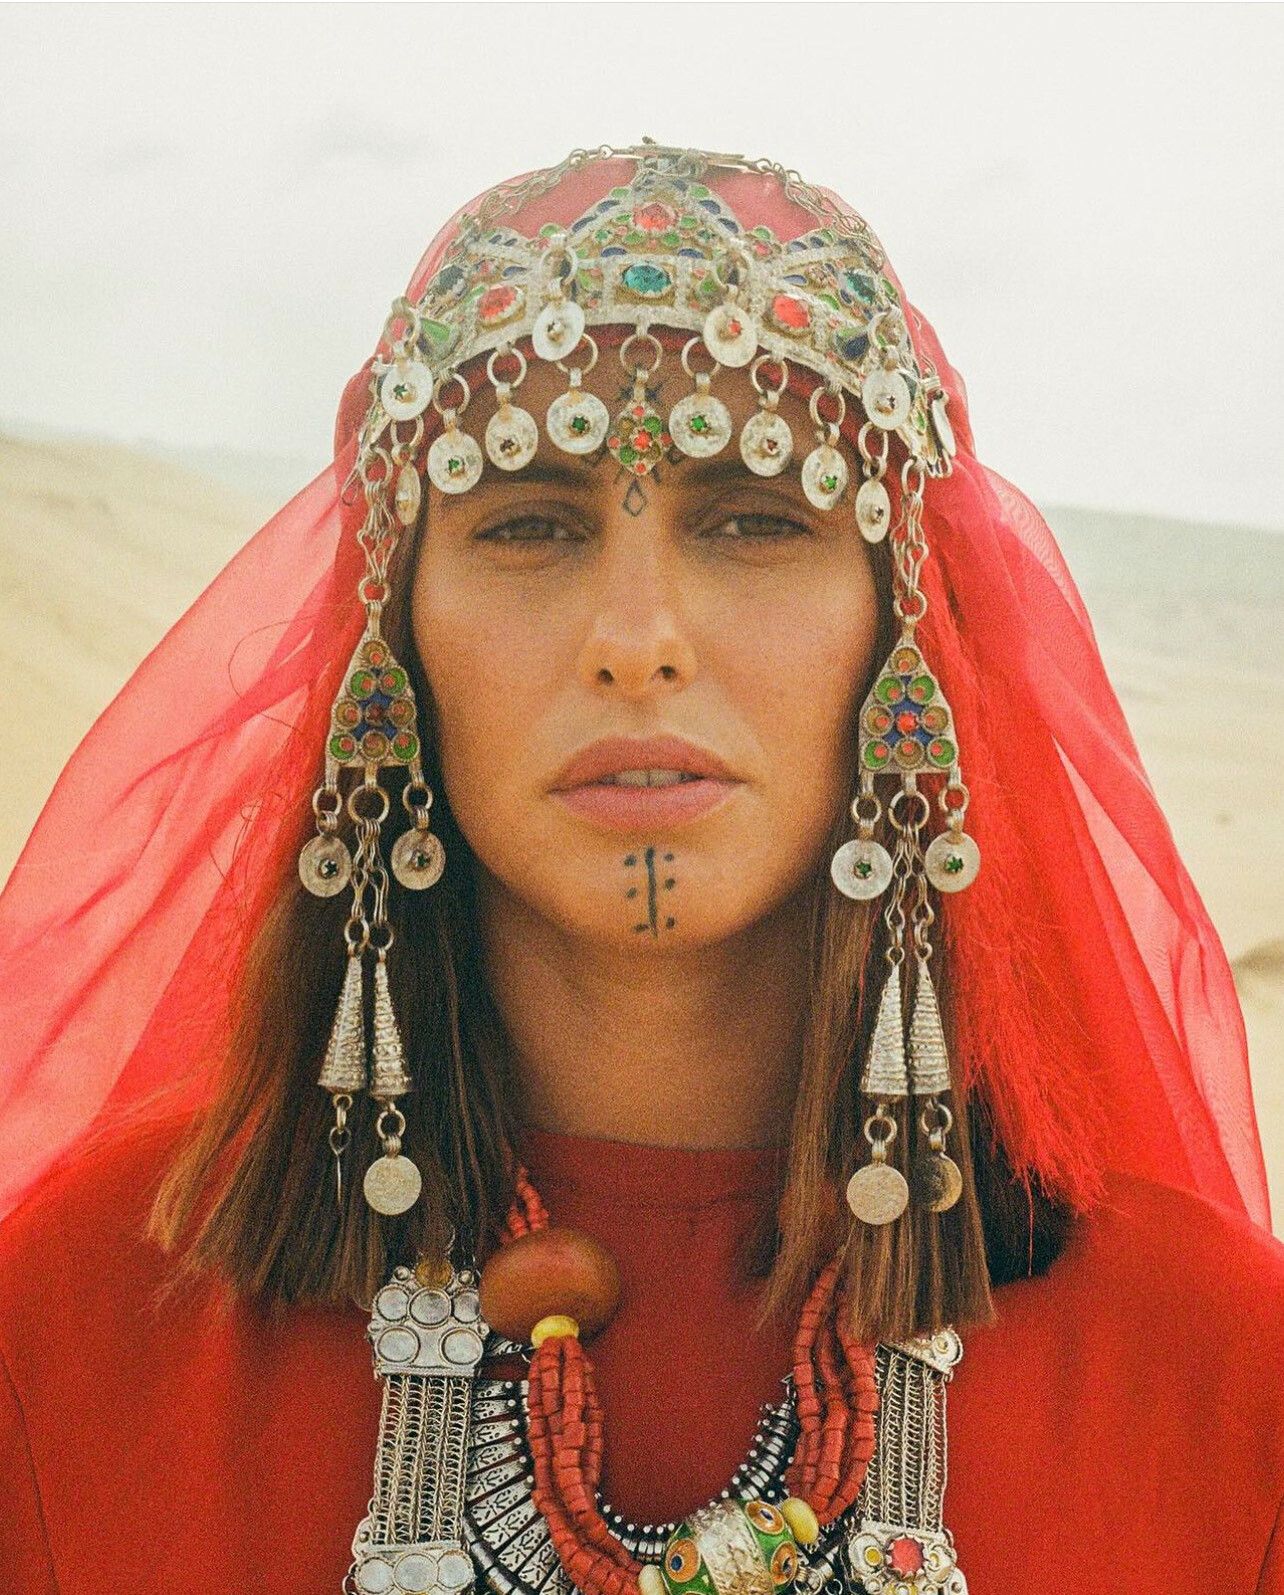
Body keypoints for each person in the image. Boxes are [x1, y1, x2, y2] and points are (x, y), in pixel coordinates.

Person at [0, 141, 1281, 1594]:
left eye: (758, 518)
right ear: (394, 642)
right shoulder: (79, 1333)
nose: (637, 637)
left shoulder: (1219, 1389)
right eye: (525, 523)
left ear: (904, 640)